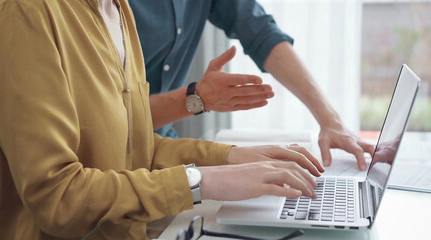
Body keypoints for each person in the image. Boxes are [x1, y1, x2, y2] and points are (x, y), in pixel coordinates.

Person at [0, 0, 324, 239]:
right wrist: (202, 180)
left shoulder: (115, 9)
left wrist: (232, 158)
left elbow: (135, 147)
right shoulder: (27, 15)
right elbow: (56, 198)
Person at [129, 0, 375, 171]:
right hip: (111, 165)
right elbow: (111, 117)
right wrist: (198, 98)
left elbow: (261, 32)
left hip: (163, 151)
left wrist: (331, 120)